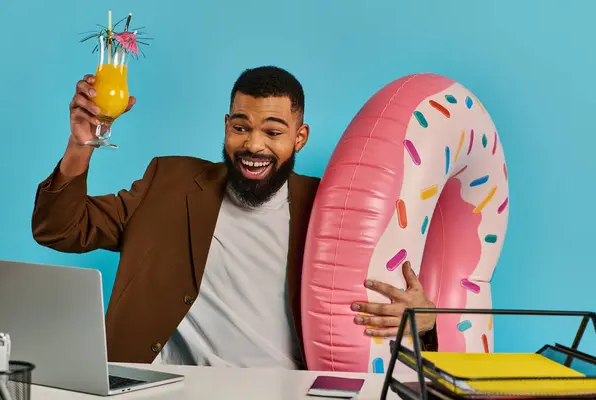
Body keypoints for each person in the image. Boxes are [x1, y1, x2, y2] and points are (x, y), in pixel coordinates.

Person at [31, 66, 438, 370]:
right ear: (227, 126)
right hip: (165, 389)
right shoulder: (168, 182)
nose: (253, 145)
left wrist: (424, 321)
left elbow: (388, 313)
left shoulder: (330, 207)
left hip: (283, 390)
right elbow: (60, 229)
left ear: (300, 137)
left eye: (273, 132)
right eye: (241, 127)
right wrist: (81, 142)